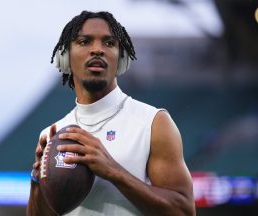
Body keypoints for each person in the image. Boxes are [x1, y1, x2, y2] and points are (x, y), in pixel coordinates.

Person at [27, 11, 195, 216]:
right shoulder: (52, 134)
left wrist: (113, 171)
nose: (97, 49)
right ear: (66, 57)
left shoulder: (153, 123)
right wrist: (37, 181)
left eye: (109, 43)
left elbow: (184, 211)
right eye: (84, 41)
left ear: (121, 58)